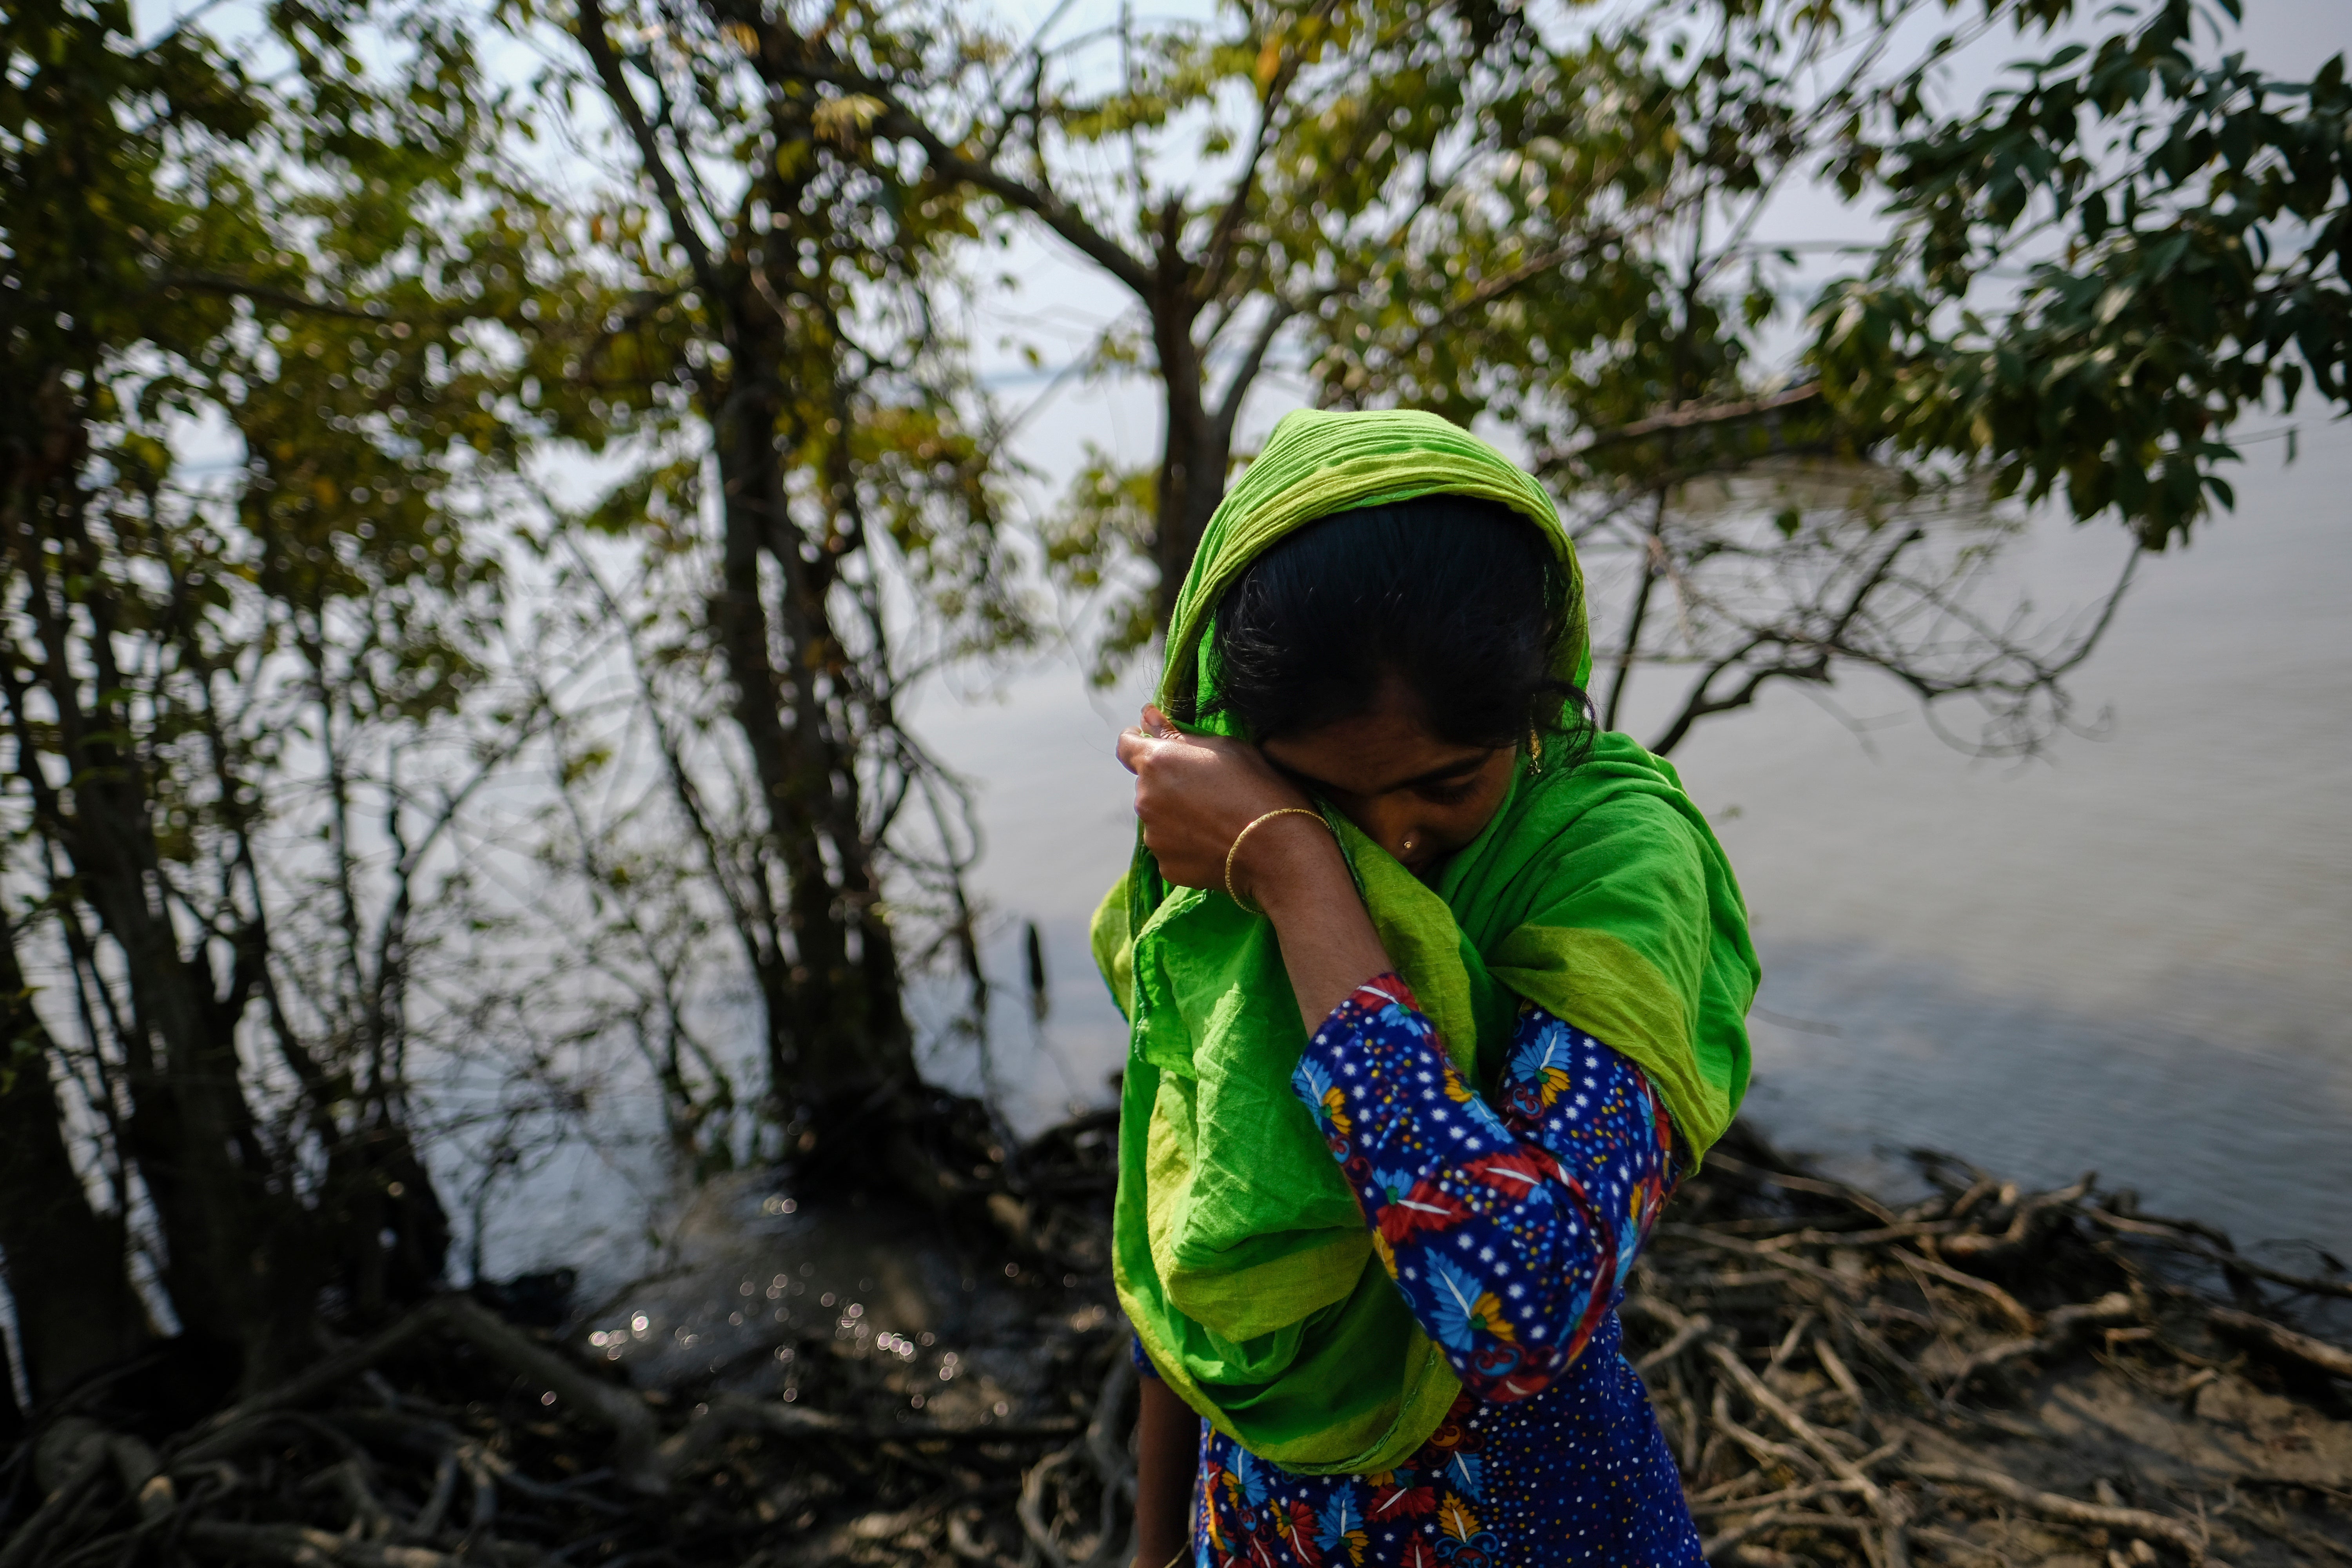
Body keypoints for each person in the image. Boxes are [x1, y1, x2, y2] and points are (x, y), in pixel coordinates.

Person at [1093, 408, 1760, 1567]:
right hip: (1251, 1526)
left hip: (1534, 1529)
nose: (1394, 842)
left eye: (1448, 786)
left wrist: (1304, 872)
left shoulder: (1612, 867)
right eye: (1330, 799)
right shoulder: (1213, 868)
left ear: (1538, 708)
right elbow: (1182, 1243)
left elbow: (1524, 1312)